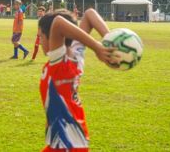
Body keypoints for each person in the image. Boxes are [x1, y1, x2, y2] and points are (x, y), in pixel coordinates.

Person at [38, 10, 114, 152]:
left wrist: (98, 47)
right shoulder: (74, 54)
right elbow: (89, 14)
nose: (39, 41)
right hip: (66, 143)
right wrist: (110, 40)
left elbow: (59, 22)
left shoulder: (59, 62)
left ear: (52, 37)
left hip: (66, 144)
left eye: (41, 36)